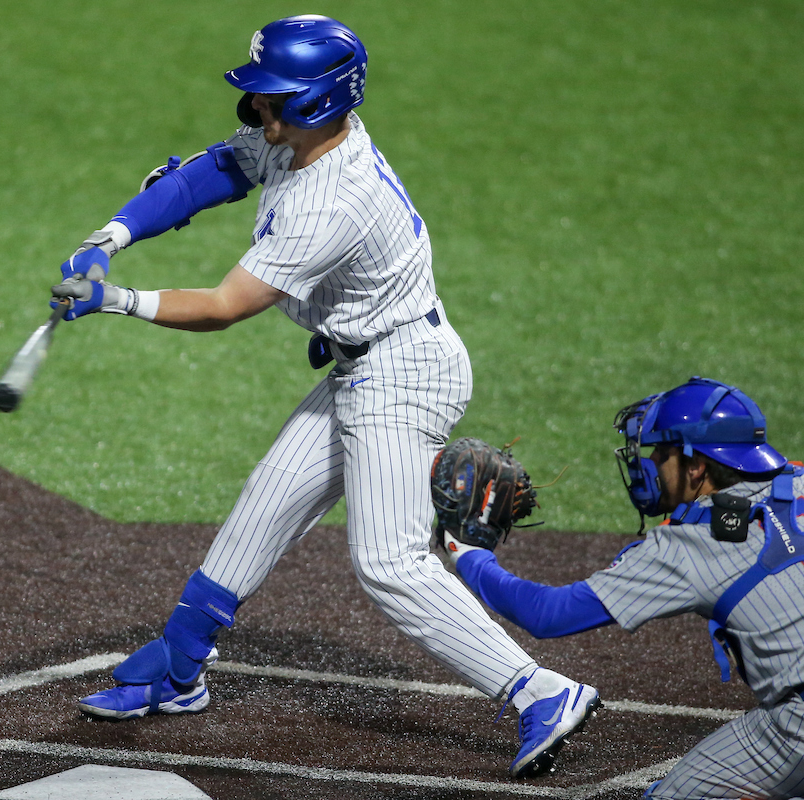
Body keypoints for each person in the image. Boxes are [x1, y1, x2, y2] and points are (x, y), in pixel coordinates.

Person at [51, 15, 599, 778]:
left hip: (402, 376)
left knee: (387, 562)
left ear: (311, 103)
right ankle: (179, 670)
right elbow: (214, 170)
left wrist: (118, 300)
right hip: (361, 364)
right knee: (266, 500)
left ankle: (541, 691)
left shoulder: (329, 200)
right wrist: (112, 235)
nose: (254, 112)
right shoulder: (302, 142)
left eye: (268, 99)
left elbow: (225, 305)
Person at [439, 376, 804, 798]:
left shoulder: (690, 547)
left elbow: (549, 614)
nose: (648, 466)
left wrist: (468, 555)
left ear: (696, 466)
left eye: (659, 454)